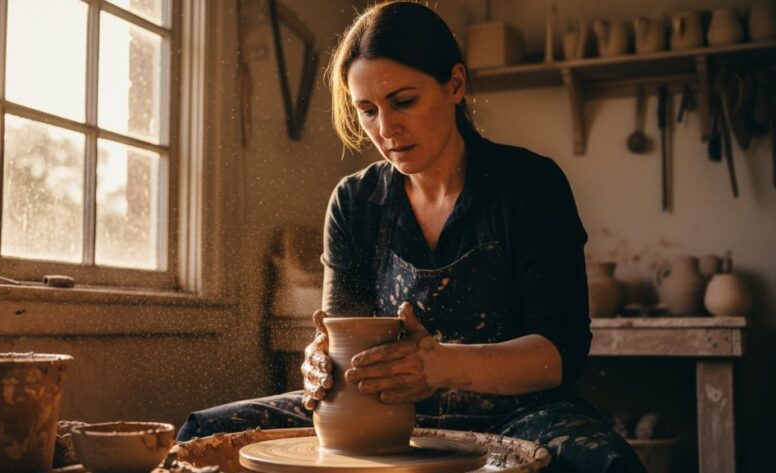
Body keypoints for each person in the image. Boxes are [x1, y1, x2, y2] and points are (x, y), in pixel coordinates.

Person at [177, 2, 646, 471]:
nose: (386, 129)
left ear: (455, 84)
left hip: (516, 414)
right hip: (384, 410)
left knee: (605, 463)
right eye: (367, 111)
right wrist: (321, 362)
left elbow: (561, 354)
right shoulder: (355, 202)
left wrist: (440, 366)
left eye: (403, 102)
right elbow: (342, 338)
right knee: (206, 433)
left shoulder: (529, 186)